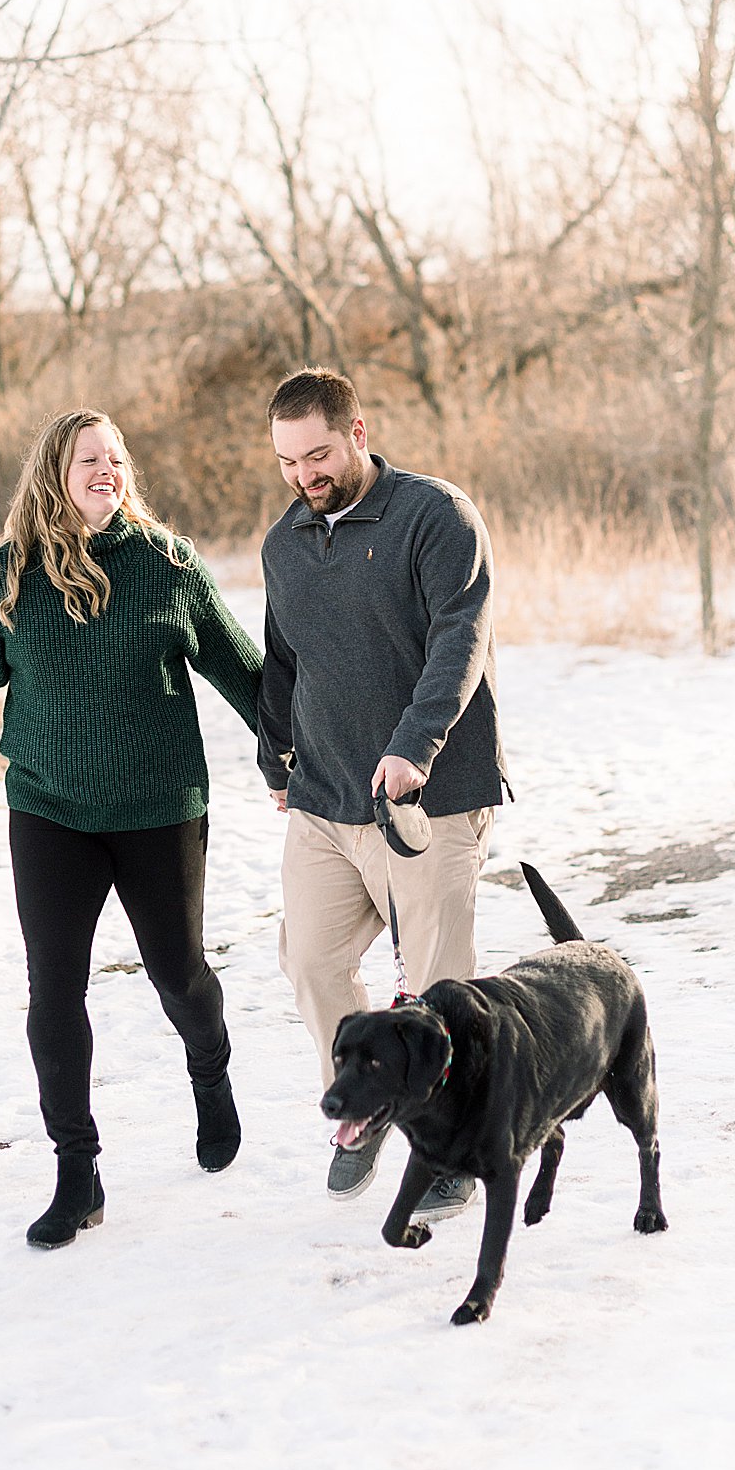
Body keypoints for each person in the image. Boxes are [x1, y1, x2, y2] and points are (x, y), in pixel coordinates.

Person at [0, 409, 263, 1249]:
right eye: (89, 458)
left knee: (180, 978)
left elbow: (243, 673)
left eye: (116, 458)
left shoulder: (167, 565)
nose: (107, 469)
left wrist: (303, 755)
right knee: (54, 994)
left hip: (160, 809)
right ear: (54, 472)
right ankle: (77, 1171)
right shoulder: (5, 578)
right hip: (50, 813)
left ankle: (210, 1071)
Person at [257, 367, 506, 1217]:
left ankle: (452, 1145)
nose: (304, 476)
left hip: (424, 799)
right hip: (326, 799)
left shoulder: (435, 517)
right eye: (288, 461)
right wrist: (274, 757)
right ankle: (361, 1113)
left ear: (358, 432)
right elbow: (284, 660)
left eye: (318, 454)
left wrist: (414, 748)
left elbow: (459, 637)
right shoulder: (285, 542)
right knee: (312, 962)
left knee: (438, 984)